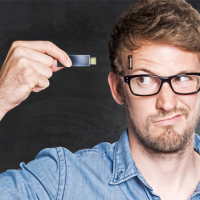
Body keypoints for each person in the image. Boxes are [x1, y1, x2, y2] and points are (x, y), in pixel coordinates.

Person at [0, 0, 200, 199]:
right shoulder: (61, 182)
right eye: (144, 79)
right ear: (117, 89)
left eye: (183, 78)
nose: (167, 103)